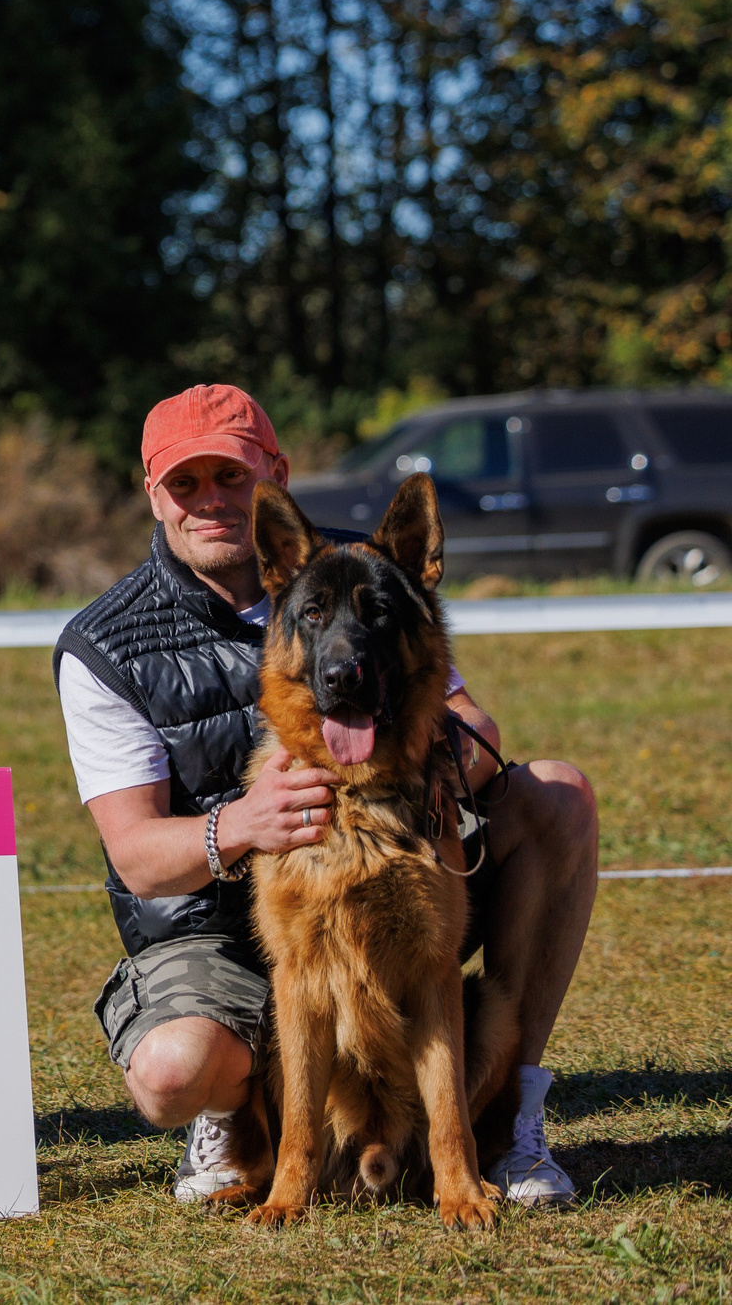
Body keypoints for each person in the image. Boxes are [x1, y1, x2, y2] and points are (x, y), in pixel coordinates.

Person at [56, 384, 599, 1210]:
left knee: (559, 793)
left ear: (272, 473)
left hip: (392, 850)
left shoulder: (362, 574)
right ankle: (243, 1118)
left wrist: (441, 764)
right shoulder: (106, 642)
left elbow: (468, 718)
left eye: (230, 478)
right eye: (185, 483)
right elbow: (136, 858)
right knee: (172, 1072)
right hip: (212, 929)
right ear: (153, 496)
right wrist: (242, 822)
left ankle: (512, 1118)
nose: (209, 500)